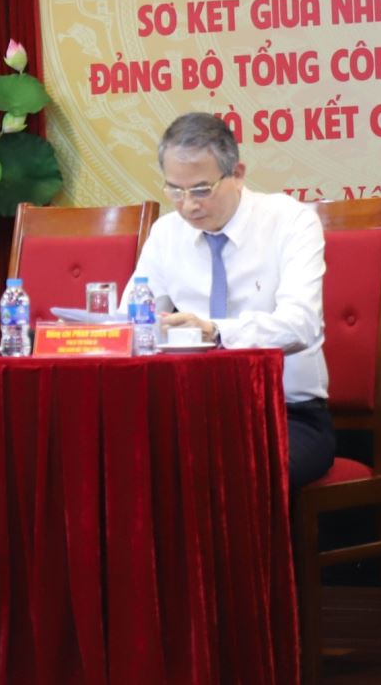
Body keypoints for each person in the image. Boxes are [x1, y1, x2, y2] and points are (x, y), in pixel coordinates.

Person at [131, 112, 335, 490]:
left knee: (228, 475)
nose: (188, 206)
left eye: (201, 190)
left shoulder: (290, 222)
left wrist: (214, 331)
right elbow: (131, 318)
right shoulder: (166, 234)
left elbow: (301, 324)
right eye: (175, 190)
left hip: (285, 415)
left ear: (237, 173)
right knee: (132, 466)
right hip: (191, 413)